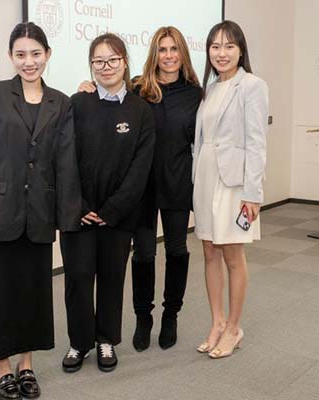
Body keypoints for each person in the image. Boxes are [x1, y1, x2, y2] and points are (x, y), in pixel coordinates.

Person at [0, 22, 81, 399]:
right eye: (21, 54)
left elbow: (66, 162)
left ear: (48, 55)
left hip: (39, 213)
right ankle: (1, 367)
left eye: (36, 53)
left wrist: (68, 216)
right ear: (11, 56)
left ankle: (26, 364)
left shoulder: (60, 101)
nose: (29, 61)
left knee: (32, 292)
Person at [78, 26, 203, 352]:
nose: (168, 56)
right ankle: (143, 317)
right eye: (162, 50)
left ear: (183, 54)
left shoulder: (195, 94)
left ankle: (171, 314)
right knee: (144, 254)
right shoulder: (138, 88)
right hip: (142, 190)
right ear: (154, 54)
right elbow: (109, 98)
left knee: (177, 251)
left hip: (177, 184)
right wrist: (86, 86)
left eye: (174, 49)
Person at [60, 33, 155, 374]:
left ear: (125, 62)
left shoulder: (141, 110)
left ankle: (105, 340)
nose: (106, 67)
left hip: (119, 215)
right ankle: (79, 342)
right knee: (78, 277)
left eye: (112, 60)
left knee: (113, 278)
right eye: (98, 61)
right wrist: (81, 204)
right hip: (78, 212)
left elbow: (140, 168)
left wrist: (112, 210)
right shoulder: (77, 103)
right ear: (91, 66)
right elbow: (65, 157)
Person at [191, 20, 268, 359]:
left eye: (228, 46)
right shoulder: (210, 87)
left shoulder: (252, 85)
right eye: (215, 47)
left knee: (233, 256)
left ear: (241, 50)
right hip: (206, 178)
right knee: (209, 253)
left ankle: (235, 327)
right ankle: (217, 322)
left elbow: (257, 142)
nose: (221, 53)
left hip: (235, 183)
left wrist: (253, 193)